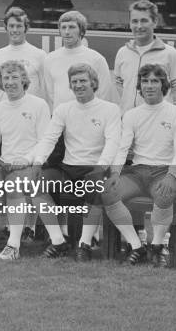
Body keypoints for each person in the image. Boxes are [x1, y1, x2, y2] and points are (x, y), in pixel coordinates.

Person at [103, 64, 176, 267]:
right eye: (145, 81)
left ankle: (158, 246)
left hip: (165, 171)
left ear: (163, 84)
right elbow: (122, 147)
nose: (149, 86)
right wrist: (115, 172)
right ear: (139, 86)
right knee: (107, 192)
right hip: (136, 172)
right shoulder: (132, 114)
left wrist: (172, 175)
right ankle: (136, 247)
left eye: (154, 81)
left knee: (164, 193)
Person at [32, 63, 121, 260]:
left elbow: (113, 141)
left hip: (95, 168)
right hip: (67, 169)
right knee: (34, 186)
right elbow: (49, 138)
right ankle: (58, 242)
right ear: (70, 86)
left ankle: (85, 244)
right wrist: (38, 162)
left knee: (96, 189)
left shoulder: (110, 109)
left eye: (83, 81)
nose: (78, 85)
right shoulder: (64, 109)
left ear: (93, 83)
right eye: (74, 82)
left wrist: (101, 167)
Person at [0, 60, 50, 260]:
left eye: (14, 77)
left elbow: (45, 141)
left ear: (24, 80)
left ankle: (13, 245)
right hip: (3, 165)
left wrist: (27, 159)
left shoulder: (39, 104)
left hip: (29, 166)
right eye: (5, 78)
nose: (9, 82)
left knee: (13, 186)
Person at [114, 0, 176, 114]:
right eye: (134, 21)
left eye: (144, 21)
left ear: (155, 22)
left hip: (156, 124)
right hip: (128, 122)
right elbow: (120, 85)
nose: (139, 26)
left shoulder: (169, 53)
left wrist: (162, 110)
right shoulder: (122, 53)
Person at [44, 11, 114, 110]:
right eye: (63, 27)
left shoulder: (97, 59)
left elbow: (105, 95)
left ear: (81, 31)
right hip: (61, 119)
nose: (67, 32)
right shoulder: (50, 59)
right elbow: (50, 94)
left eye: (72, 27)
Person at [0, 7, 46, 100]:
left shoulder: (39, 55)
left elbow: (45, 88)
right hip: (5, 111)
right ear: (6, 28)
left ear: (26, 28)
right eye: (11, 26)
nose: (14, 30)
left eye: (19, 26)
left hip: (31, 111)